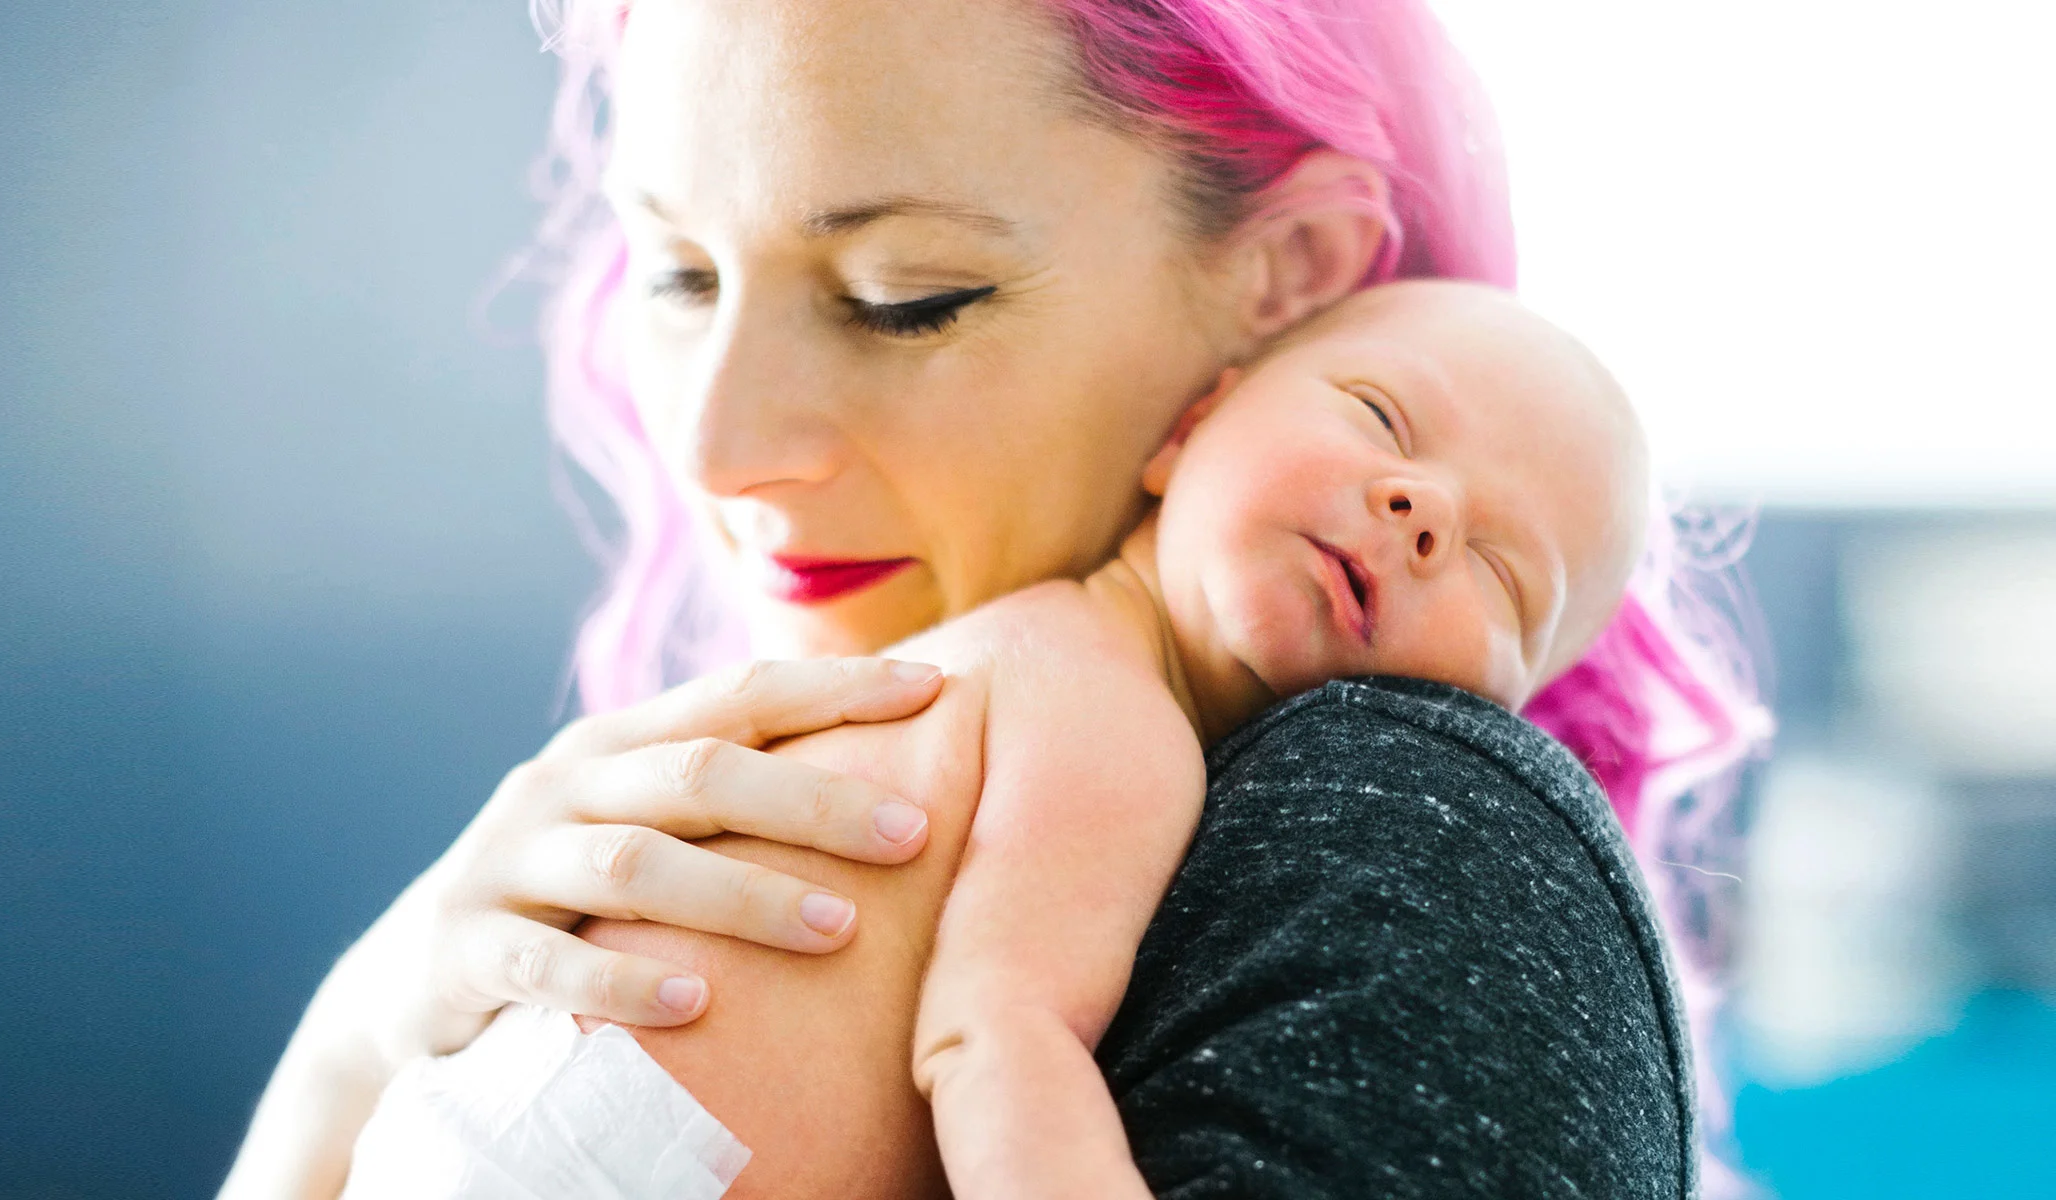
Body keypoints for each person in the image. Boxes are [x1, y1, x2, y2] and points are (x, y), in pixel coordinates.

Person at [222, 0, 1759, 1195]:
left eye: (908, 297)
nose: (721, 449)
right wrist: (377, 1014)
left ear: (1283, 278)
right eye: (678, 275)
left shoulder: (1408, 827)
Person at [339, 280, 1657, 1198]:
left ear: (1498, 709)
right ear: (1195, 422)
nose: (1421, 508)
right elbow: (994, 1041)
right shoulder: (1110, 718)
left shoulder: (1007, 648)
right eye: (1379, 418)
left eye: (1498, 570)